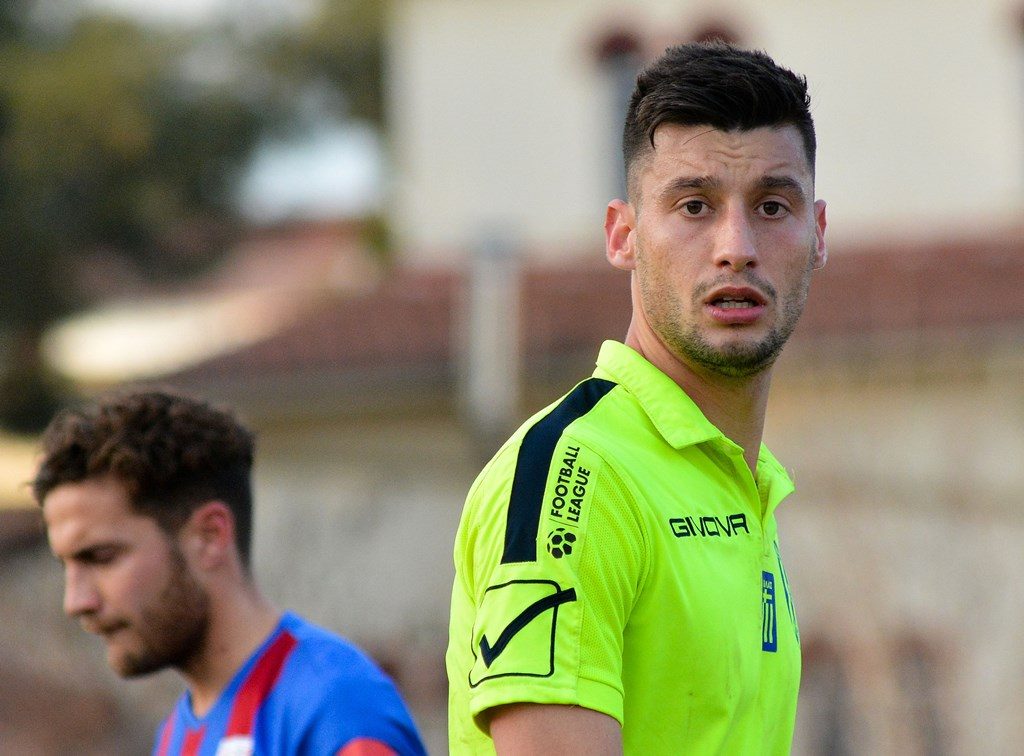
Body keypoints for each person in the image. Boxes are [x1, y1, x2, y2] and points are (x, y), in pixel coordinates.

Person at [446, 40, 827, 754]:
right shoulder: (580, 475)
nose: (736, 246)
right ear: (623, 236)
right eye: (694, 206)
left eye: (773, 206)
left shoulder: (742, 480)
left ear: (819, 234)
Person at [34, 390, 427, 756]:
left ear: (210, 536)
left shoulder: (334, 709)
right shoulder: (174, 738)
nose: (76, 601)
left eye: (101, 557)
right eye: (66, 565)